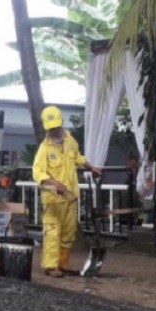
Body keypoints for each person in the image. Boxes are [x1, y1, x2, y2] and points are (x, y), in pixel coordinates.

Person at [32, 106, 101, 278]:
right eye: (51, 127)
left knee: (69, 232)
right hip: (52, 199)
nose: (54, 130)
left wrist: (91, 167)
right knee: (53, 231)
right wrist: (54, 182)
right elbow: (37, 171)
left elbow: (78, 157)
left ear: (61, 122)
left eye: (56, 126)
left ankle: (63, 262)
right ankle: (50, 265)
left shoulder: (70, 141)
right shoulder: (44, 148)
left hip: (70, 197)